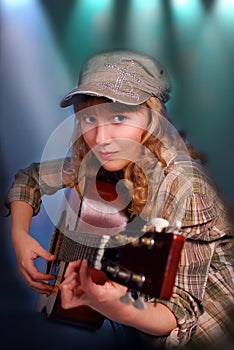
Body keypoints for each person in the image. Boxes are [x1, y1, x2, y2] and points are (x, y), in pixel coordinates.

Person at [5, 50, 234, 350]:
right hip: (137, 324)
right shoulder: (97, 160)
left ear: (153, 119)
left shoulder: (184, 186)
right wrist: (20, 235)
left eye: (119, 117)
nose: (100, 138)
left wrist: (115, 307)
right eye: (89, 118)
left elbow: (177, 314)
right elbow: (29, 179)